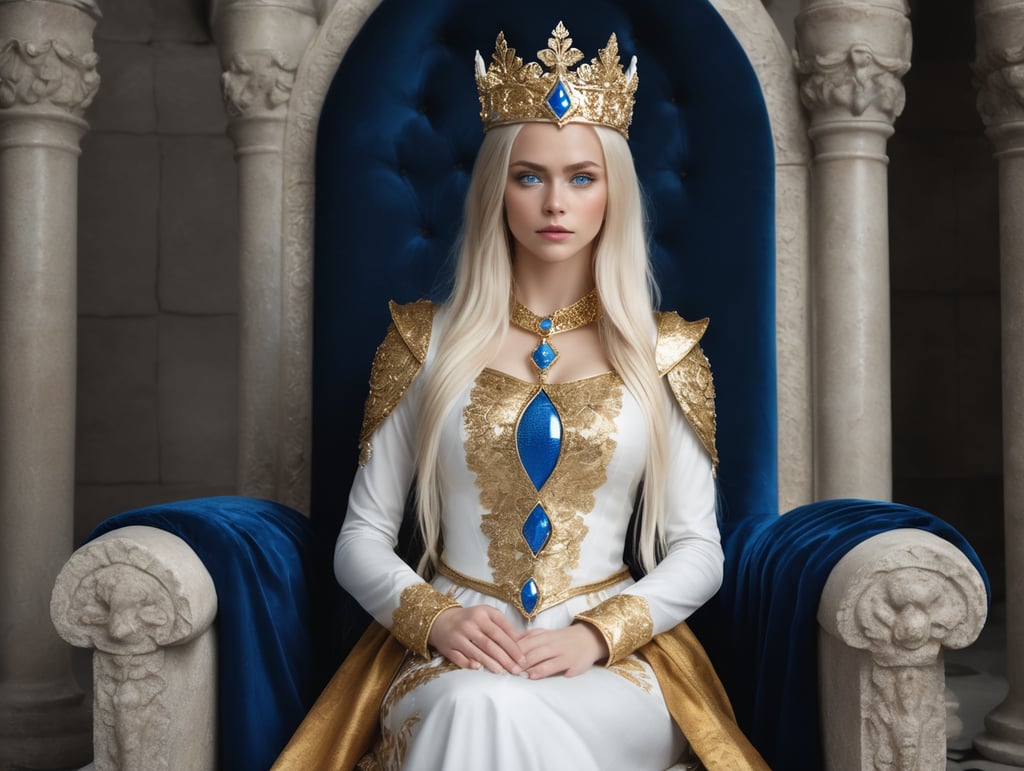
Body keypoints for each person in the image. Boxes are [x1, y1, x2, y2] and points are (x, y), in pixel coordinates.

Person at [274, 22, 767, 771]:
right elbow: (361, 537)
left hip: (614, 664)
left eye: (582, 177)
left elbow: (699, 549)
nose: (555, 202)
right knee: (476, 705)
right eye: (530, 176)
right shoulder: (423, 342)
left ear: (614, 192)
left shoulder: (665, 353)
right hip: (452, 655)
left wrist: (599, 633)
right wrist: (435, 619)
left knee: (491, 712)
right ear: (496, 190)